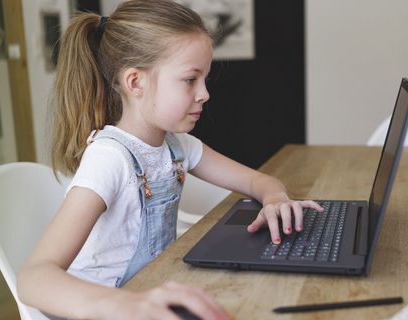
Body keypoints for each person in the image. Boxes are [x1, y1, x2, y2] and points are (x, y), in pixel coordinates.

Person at [17, 1, 323, 319]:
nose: (204, 93)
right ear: (136, 83)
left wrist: (275, 198)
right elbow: (34, 278)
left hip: (151, 292)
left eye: (204, 79)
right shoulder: (109, 159)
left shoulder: (179, 148)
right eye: (191, 80)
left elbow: (256, 181)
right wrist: (122, 304)